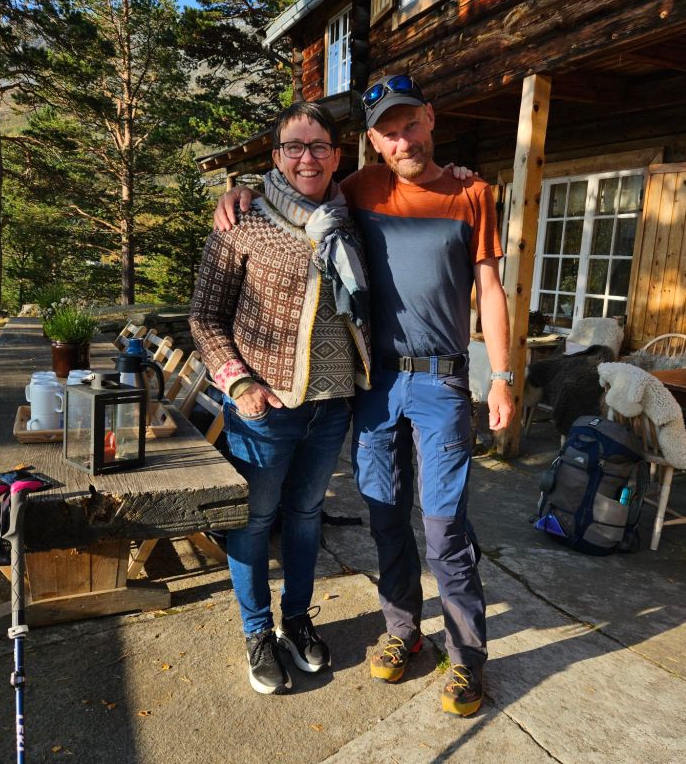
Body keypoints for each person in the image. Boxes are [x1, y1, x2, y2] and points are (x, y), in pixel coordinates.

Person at [215, 75, 514, 717]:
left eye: (411, 125)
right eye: (388, 132)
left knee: (444, 528)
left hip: (441, 382)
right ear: (373, 142)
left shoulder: (473, 193)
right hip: (373, 384)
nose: (403, 140)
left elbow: (490, 289)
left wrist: (503, 376)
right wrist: (239, 190)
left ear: (430, 119)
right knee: (384, 516)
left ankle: (466, 658)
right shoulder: (358, 190)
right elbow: (296, 189)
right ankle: (403, 630)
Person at [190, 101, 372, 696]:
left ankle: (296, 621)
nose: (307, 158)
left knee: (306, 516)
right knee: (255, 519)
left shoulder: (351, 222)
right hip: (264, 411)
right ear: (276, 156)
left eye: (319, 146)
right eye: (294, 146)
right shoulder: (244, 222)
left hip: (331, 407)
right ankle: (256, 632)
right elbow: (205, 316)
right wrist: (239, 382)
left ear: (337, 156)